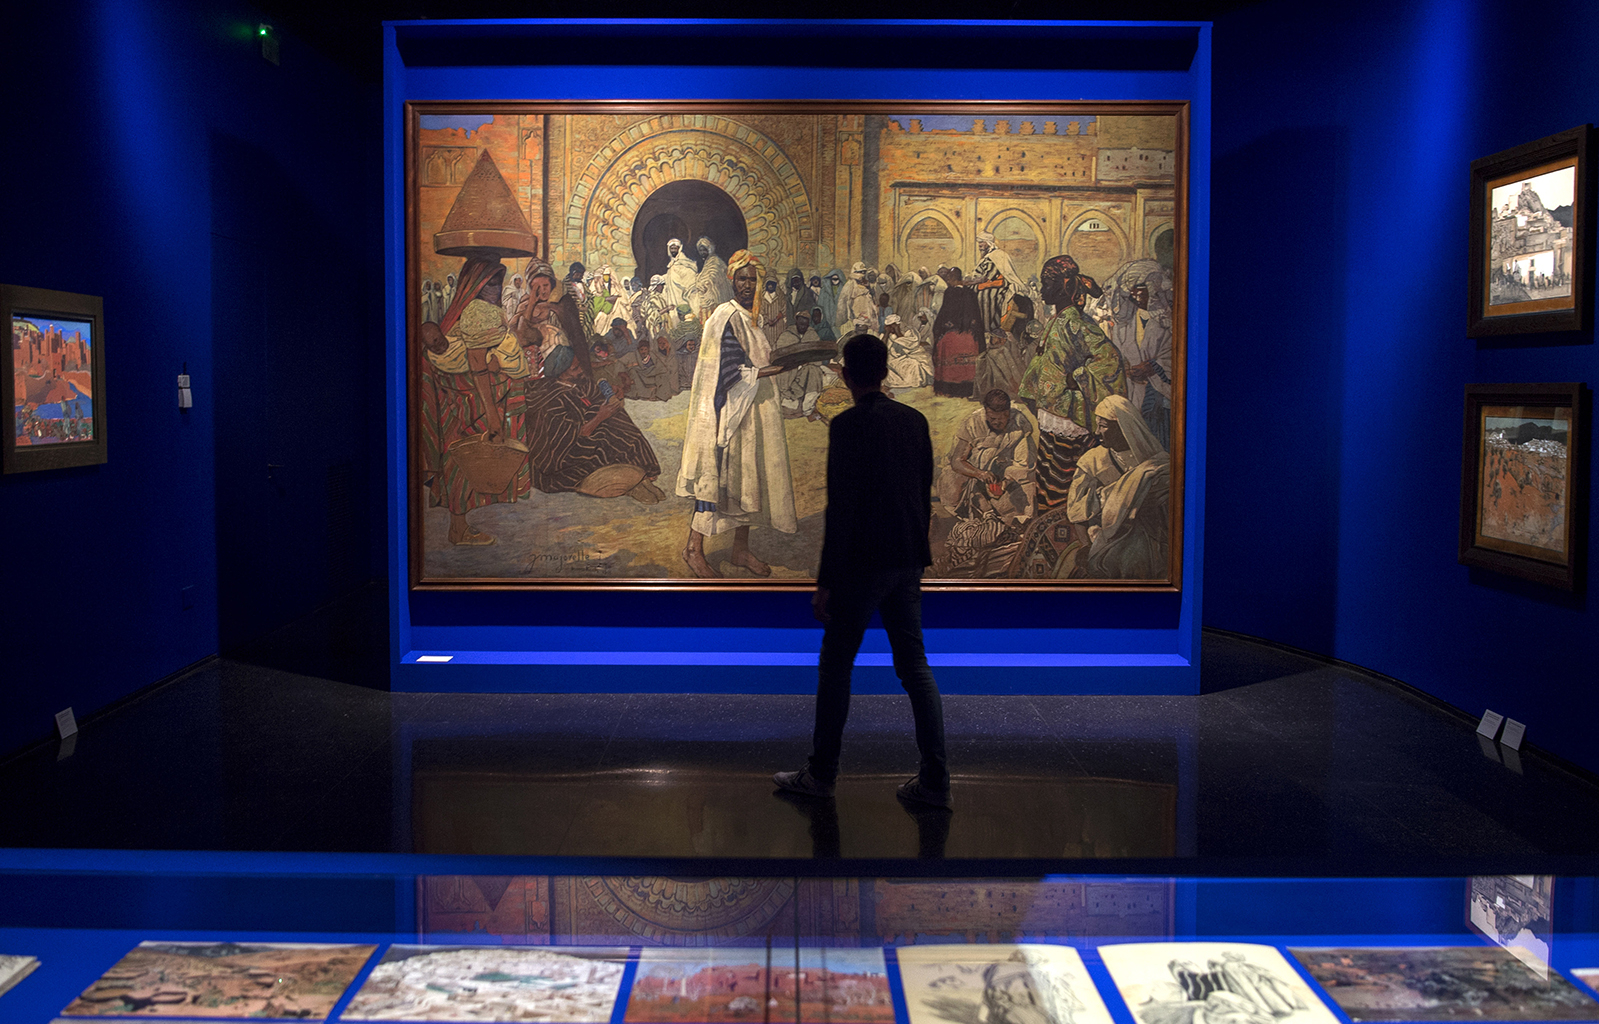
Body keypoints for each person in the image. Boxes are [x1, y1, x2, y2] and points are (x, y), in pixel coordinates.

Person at [773, 333, 951, 810]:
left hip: (860, 564)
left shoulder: (847, 426)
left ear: (845, 376)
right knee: (915, 667)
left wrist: (825, 581)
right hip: (906, 559)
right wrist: (916, 553)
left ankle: (822, 773)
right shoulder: (914, 421)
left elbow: (841, 507)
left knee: (836, 667)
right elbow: (923, 489)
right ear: (887, 370)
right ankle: (935, 780)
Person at [676, 250, 798, 578]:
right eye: (742, 278)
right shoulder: (724, 315)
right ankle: (693, 548)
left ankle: (740, 550)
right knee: (717, 480)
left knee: (750, 479)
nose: (747, 285)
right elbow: (728, 369)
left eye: (753, 279)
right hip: (729, 413)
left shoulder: (752, 317)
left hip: (756, 411)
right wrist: (770, 371)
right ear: (732, 280)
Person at [1018, 254, 1127, 509]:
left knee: (1065, 480)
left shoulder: (1077, 323)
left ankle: (1066, 531)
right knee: (1047, 476)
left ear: (1064, 286)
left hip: (1069, 417)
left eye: (1047, 283)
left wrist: (1075, 377)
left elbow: (1110, 360)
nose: (1043, 289)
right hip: (1053, 413)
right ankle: (1050, 529)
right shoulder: (1057, 320)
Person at [523, 344, 664, 503]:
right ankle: (631, 484)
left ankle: (642, 475)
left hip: (589, 434)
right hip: (563, 457)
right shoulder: (552, 401)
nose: (581, 371)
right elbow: (574, 434)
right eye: (575, 368)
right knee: (608, 438)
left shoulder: (578, 383)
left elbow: (595, 397)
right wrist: (599, 417)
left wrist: (611, 392)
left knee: (616, 418)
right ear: (562, 373)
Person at [1065, 394, 1170, 579]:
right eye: (1097, 425)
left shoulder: (1151, 458)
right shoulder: (1092, 461)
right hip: (1109, 537)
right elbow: (1076, 511)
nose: (1097, 432)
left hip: (1151, 534)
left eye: (1103, 426)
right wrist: (1086, 547)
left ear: (1124, 427)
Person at [932, 267, 985, 397]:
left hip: (952, 336)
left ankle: (949, 389)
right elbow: (976, 316)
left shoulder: (950, 292)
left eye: (949, 277)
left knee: (944, 345)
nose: (947, 280)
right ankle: (966, 390)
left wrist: (939, 328)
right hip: (969, 336)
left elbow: (944, 313)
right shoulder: (971, 293)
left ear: (953, 278)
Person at [883, 313, 933, 389]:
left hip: (911, 354)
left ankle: (916, 382)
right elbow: (881, 347)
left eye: (893, 326)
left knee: (915, 363)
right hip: (894, 358)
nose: (891, 330)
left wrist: (898, 332)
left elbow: (911, 345)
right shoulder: (888, 335)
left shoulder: (909, 331)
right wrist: (887, 333)